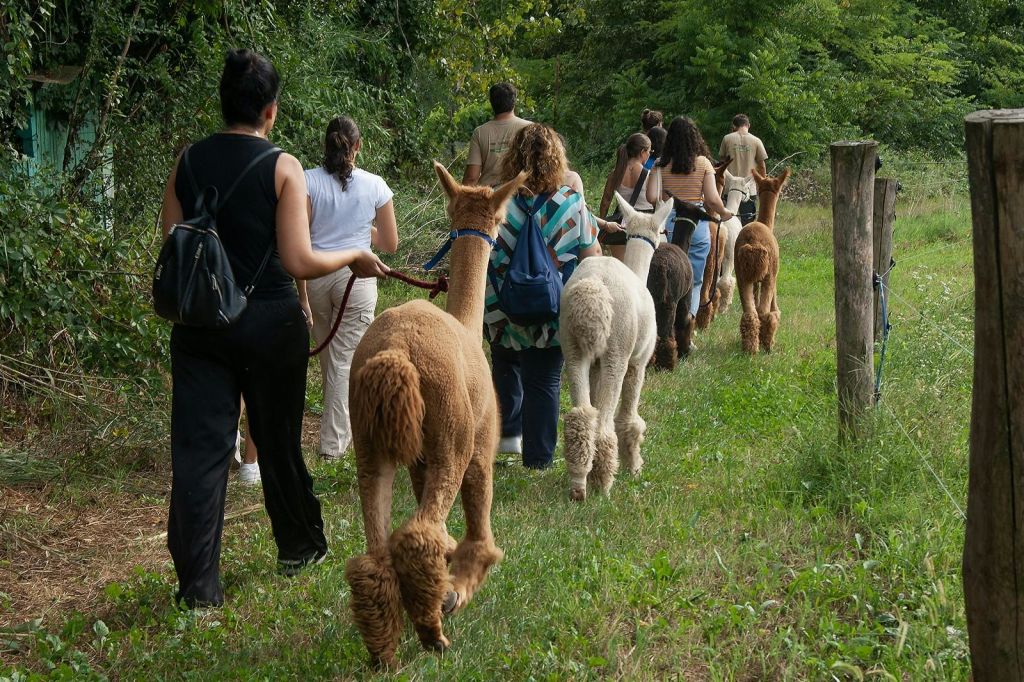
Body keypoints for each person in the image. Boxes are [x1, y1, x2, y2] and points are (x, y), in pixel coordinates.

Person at [159, 49, 389, 608]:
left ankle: (198, 588)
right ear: (272, 111)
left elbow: (173, 243)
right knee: (280, 441)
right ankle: (300, 547)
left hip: (201, 326)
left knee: (201, 450)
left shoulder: (186, 162)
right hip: (269, 321)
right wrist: (354, 255)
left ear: (222, 102)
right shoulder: (282, 168)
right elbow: (298, 260)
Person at [486, 123, 601, 469]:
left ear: (511, 158)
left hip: (501, 309)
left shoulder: (495, 200)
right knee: (545, 381)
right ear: (557, 160)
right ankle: (538, 459)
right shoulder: (573, 203)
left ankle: (506, 437)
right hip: (552, 312)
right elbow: (591, 256)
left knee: (505, 365)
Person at [304, 116, 399, 460]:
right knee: (344, 362)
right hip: (355, 280)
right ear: (358, 146)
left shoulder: (306, 181)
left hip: (315, 275)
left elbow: (303, 236)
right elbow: (389, 243)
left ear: (325, 145)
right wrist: (361, 229)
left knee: (332, 359)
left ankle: (338, 438)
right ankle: (332, 447)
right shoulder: (375, 185)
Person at [647, 116, 733, 320]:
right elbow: (712, 199)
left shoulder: (660, 164)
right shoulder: (703, 164)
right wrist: (724, 213)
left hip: (668, 225)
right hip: (696, 224)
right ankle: (687, 323)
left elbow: (651, 197)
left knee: (667, 278)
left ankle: (665, 321)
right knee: (694, 280)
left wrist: (668, 196)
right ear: (695, 138)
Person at [463, 83, 531, 187]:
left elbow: (471, 177)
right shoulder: (531, 128)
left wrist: (462, 199)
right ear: (514, 101)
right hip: (521, 195)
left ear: (491, 103)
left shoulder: (480, 132)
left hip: (489, 197)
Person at [599, 133, 654, 259]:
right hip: (643, 226)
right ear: (642, 152)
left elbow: (605, 202)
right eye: (649, 151)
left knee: (622, 270)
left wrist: (603, 224)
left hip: (621, 226)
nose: (650, 154)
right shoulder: (649, 176)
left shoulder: (615, 174)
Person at [718, 114, 768, 223]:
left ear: (734, 126)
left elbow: (721, 164)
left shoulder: (727, 138)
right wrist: (762, 186)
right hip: (749, 190)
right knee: (747, 222)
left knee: (729, 221)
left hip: (730, 188)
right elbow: (762, 166)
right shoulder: (756, 140)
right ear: (748, 125)